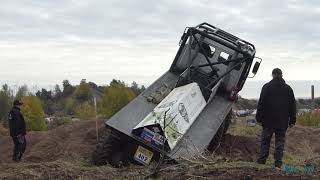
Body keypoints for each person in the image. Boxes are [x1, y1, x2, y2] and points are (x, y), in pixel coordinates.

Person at [256, 68, 296, 170]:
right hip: (282, 121)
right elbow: (292, 105)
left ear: (272, 75)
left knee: (265, 141)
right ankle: (278, 163)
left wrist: (259, 118)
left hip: (267, 120)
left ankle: (262, 161)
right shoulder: (288, 88)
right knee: (280, 142)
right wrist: (292, 120)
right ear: (282, 75)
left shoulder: (267, 87)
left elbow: (261, 103)